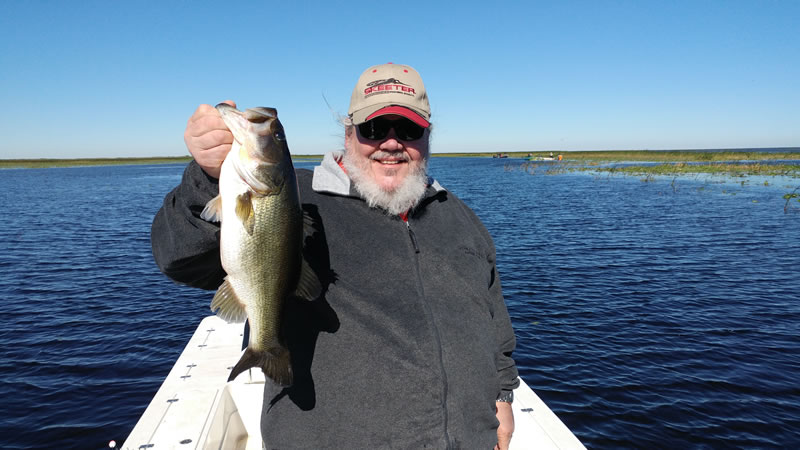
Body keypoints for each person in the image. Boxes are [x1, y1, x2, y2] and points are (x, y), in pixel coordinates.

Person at [151, 63, 519, 449]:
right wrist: (206, 179)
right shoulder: (301, 202)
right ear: (349, 132)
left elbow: (493, 316)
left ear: (427, 136)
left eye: (409, 130)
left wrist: (503, 393)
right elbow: (177, 256)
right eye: (374, 129)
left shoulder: (458, 216)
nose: (391, 143)